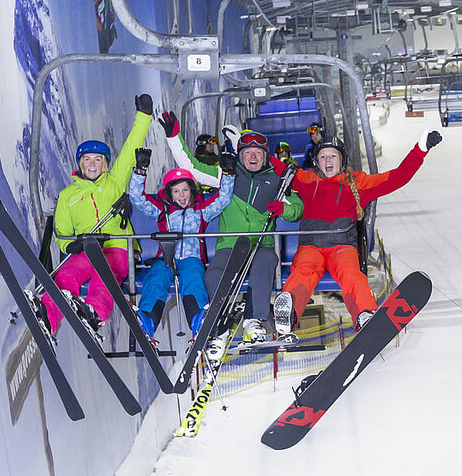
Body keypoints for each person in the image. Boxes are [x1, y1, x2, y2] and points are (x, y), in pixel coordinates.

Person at [272, 130, 442, 336]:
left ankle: (364, 312)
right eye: (323, 156)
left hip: (342, 246)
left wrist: (420, 150)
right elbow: (275, 167)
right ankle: (288, 314)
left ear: (341, 160)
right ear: (317, 161)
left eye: (332, 156)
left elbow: (396, 178)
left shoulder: (358, 182)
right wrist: (248, 150)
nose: (328, 160)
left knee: (352, 275)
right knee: (302, 273)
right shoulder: (306, 179)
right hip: (311, 245)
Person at [42, 93, 153, 339]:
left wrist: (143, 116)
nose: (92, 164)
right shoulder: (68, 196)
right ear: (80, 164)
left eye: (98, 160)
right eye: (87, 159)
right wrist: (72, 245)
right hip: (85, 250)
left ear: (105, 164)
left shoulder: (114, 183)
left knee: (106, 278)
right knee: (66, 276)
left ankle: (94, 313)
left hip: (117, 249)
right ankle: (48, 317)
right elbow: (61, 233)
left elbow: (130, 148)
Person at [199, 129, 303, 345]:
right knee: (214, 274)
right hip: (230, 245)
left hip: (261, 244)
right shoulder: (226, 175)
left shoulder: (276, 181)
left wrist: (283, 208)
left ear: (265, 156)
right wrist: (173, 137)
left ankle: (253, 320)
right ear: (240, 155)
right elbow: (192, 166)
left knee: (264, 262)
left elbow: (298, 209)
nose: (253, 157)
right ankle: (217, 322)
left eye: (258, 153)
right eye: (247, 153)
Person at [127, 153, 235, 339]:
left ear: (192, 191)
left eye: (185, 190)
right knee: (156, 278)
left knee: (193, 279)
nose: (182, 196)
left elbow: (223, 199)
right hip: (166, 257)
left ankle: (198, 318)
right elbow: (138, 198)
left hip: (191, 257)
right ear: (170, 194)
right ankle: (148, 318)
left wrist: (228, 175)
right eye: (176, 192)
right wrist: (140, 171)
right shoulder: (162, 211)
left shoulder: (201, 211)